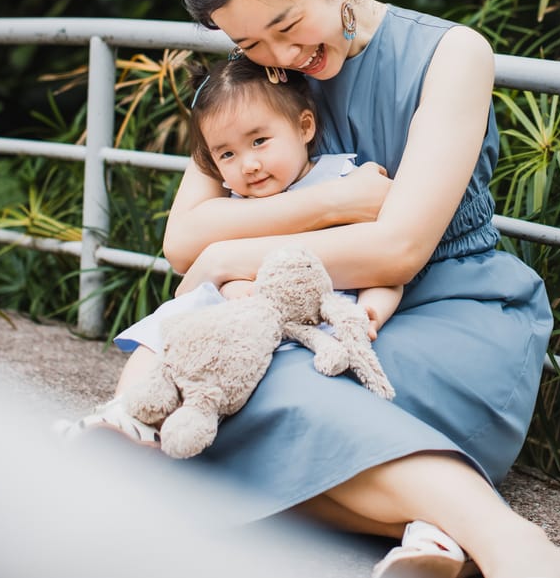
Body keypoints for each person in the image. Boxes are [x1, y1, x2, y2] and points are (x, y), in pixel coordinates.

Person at [159, 0, 560, 578]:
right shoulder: (260, 81)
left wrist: (225, 254)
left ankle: (514, 548)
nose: (283, 56)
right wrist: (333, 201)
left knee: (246, 402)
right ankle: (441, 523)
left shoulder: (450, 55)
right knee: (209, 405)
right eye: (249, 44)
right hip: (312, 321)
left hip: (452, 310)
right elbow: (182, 239)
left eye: (287, 25)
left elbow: (399, 249)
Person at [59, 55, 401, 446]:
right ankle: (125, 411)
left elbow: (382, 262)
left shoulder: (345, 181)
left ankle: (166, 433)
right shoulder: (234, 207)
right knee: (171, 327)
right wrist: (230, 289)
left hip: (311, 325)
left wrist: (371, 309)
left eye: (259, 141)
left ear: (304, 126)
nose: (249, 165)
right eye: (227, 155)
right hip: (233, 318)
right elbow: (192, 287)